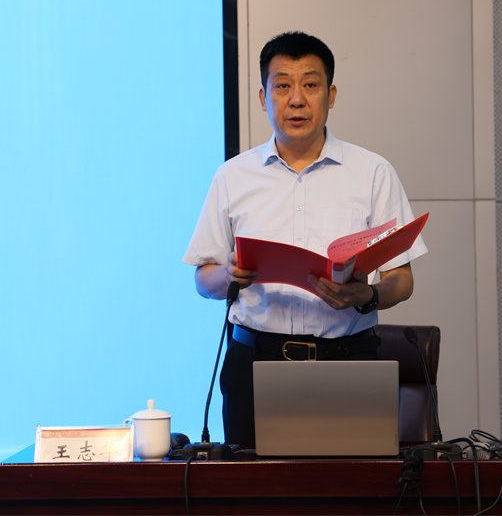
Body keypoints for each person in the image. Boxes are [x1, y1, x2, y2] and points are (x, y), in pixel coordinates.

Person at [183, 31, 427, 444]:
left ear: (331, 96)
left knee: (352, 482)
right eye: (282, 86)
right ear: (263, 98)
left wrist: (367, 295)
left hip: (348, 361)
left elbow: (401, 280)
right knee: (252, 482)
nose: (296, 99)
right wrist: (227, 275)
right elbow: (202, 280)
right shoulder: (232, 176)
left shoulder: (372, 173)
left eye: (310, 85)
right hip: (254, 364)